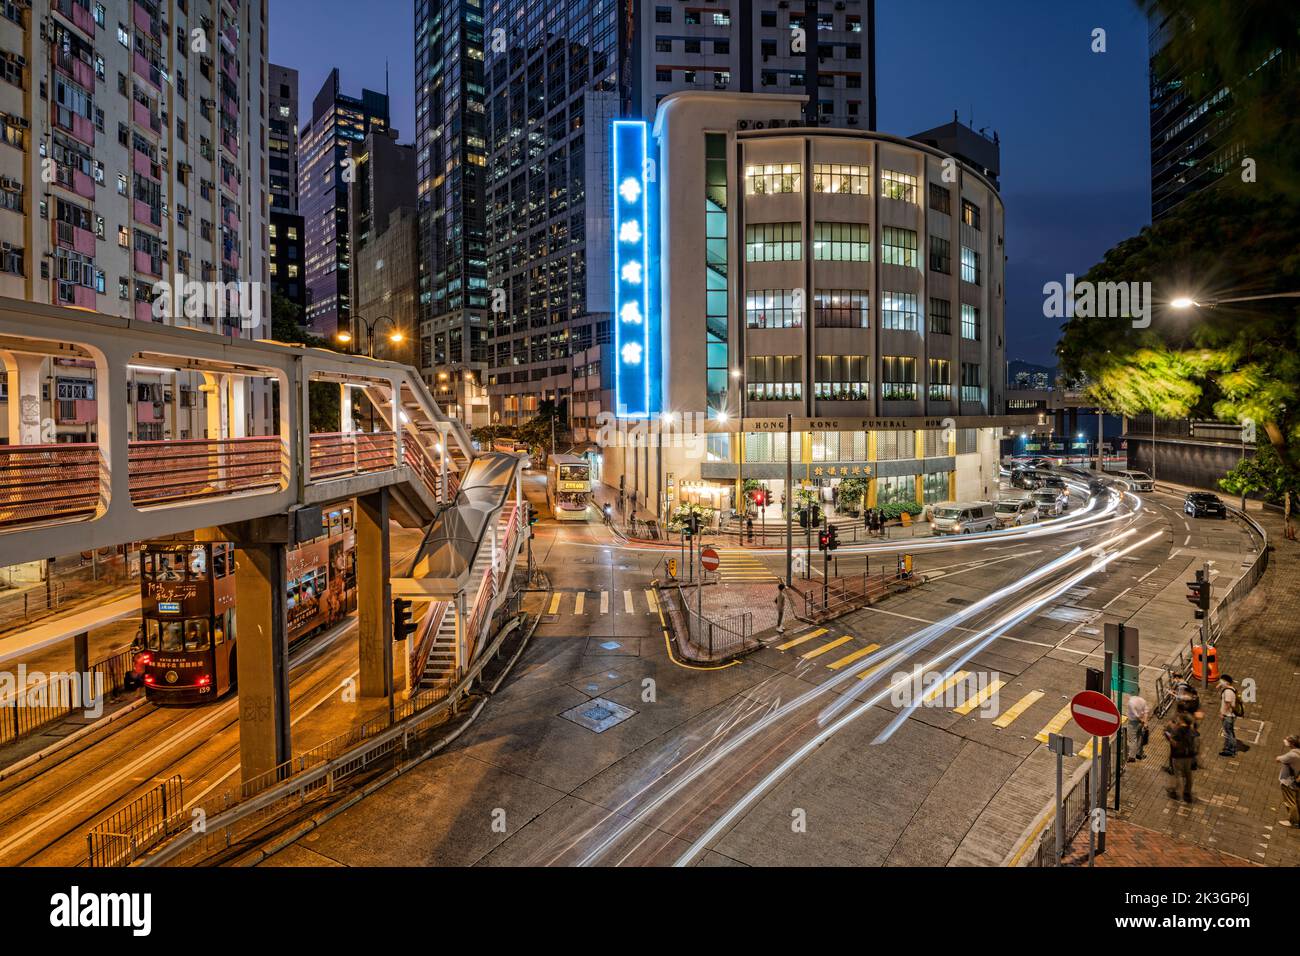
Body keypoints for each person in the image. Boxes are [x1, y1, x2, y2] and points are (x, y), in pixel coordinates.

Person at [1166, 713, 1197, 803]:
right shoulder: (1191, 730)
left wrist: (1169, 737)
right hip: (1188, 756)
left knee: (1178, 774)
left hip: (1178, 756)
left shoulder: (1178, 730)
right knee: (1188, 774)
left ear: (1182, 720)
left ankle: (1177, 792)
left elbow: (1174, 743)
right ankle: (1187, 792)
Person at [1217, 675, 1247, 757]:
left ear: (1226, 682)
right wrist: (1220, 686)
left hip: (1228, 716)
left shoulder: (1228, 692)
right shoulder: (1230, 689)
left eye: (1221, 681)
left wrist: (1222, 714)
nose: (1220, 682)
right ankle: (1228, 748)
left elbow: (1228, 704)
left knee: (1228, 733)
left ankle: (1231, 751)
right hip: (1229, 715)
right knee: (1229, 732)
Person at [1277, 735, 1300, 828]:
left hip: (1289, 782)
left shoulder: (1292, 755)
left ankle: (1293, 822)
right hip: (1297, 781)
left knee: (1290, 802)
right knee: (1297, 801)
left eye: (1288, 740)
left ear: (1292, 744)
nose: (1285, 741)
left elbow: (1278, 759)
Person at [1126, 694, 1151, 761]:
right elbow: (1146, 712)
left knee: (1132, 739)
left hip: (1133, 723)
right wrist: (1145, 722)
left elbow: (1136, 715)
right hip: (1141, 723)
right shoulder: (1142, 700)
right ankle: (1139, 754)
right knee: (1139, 738)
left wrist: (1142, 721)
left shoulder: (1130, 702)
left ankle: (1132, 757)